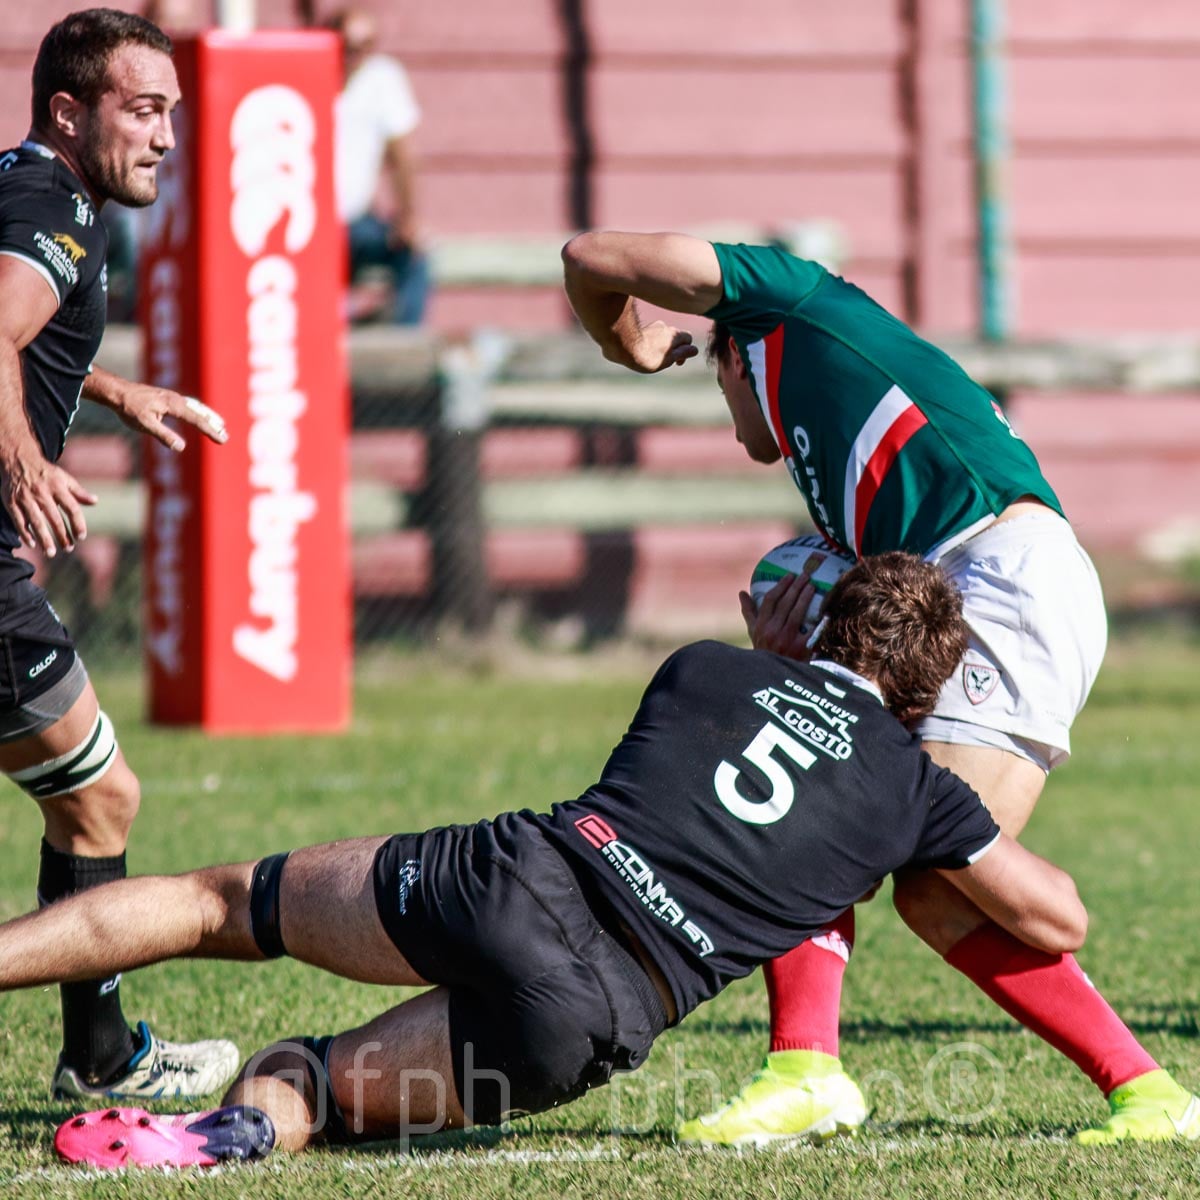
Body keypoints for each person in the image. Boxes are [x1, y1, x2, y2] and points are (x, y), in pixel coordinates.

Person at [6, 553, 1180, 1171]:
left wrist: (770, 646)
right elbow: (1056, 915)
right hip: (595, 1016)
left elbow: (761, 714)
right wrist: (948, 819)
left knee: (227, 904)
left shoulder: (704, 668)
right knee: (311, 1075)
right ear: (923, 690)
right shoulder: (914, 790)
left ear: (821, 626)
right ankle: (231, 1136)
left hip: (522, 880)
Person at [560, 230, 1182, 1147]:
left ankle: (815, 1070)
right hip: (973, 578)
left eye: (718, 385)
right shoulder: (843, 496)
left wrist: (631, 343)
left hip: (1003, 574)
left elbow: (591, 256)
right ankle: (1136, 1093)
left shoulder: (782, 302)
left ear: (731, 356)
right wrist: (787, 663)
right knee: (914, 868)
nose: (734, 420)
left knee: (895, 842)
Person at [0, 9, 235, 1100]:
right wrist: (24, 466)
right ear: (68, 111)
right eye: (144, 112)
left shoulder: (27, 187)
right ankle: (99, 1063)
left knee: (88, 799)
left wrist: (103, 387)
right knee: (99, 802)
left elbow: (25, 329)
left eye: (172, 114)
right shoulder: (56, 205)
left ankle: (97, 1055)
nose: (167, 138)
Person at [328, 7, 429, 325]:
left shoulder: (382, 79)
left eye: (365, 47)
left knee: (414, 256)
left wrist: (408, 216)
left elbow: (403, 156)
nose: (355, 56)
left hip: (356, 223)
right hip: (309, 227)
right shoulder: (306, 75)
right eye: (348, 46)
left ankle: (402, 354)